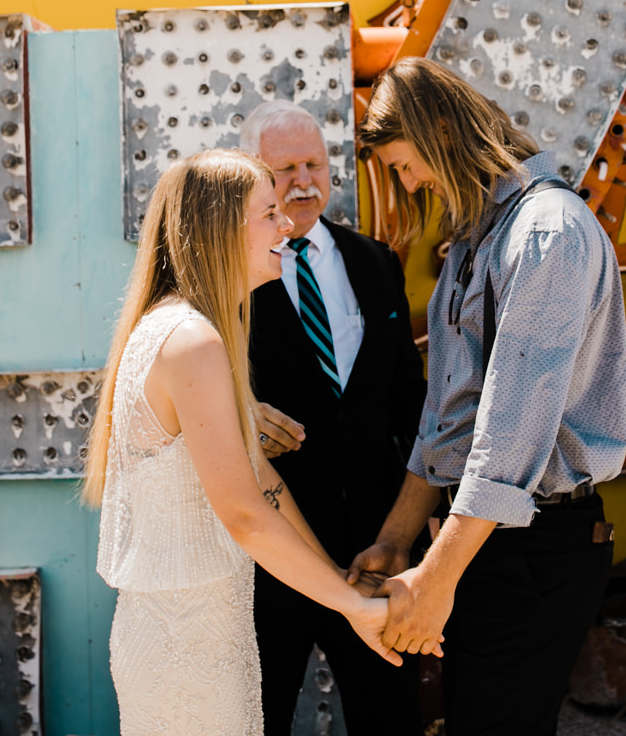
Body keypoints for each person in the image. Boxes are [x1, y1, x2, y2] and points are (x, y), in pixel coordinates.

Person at [82, 150, 413, 735]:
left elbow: (268, 487)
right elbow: (245, 514)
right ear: (222, 229)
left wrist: (339, 584)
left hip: (206, 631)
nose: (286, 224)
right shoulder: (192, 341)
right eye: (268, 213)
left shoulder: (189, 328)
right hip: (186, 643)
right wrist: (355, 606)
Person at [356, 57, 626, 736]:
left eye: (402, 164)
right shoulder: (472, 241)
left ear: (443, 131)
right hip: (488, 541)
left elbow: (510, 435)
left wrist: (435, 579)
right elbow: (446, 422)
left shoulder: (545, 234)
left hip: (537, 546)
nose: (407, 182)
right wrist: (396, 543)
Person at [237, 102, 428, 736]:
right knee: (258, 718)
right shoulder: (228, 274)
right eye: (284, 168)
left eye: (314, 164)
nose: (304, 181)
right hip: (273, 557)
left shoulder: (376, 262)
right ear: (254, 177)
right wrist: (244, 411)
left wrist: (408, 530)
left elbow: (406, 397)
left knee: (391, 718)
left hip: (374, 553)